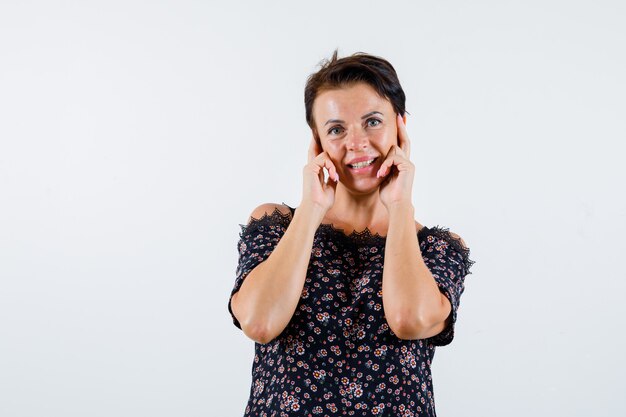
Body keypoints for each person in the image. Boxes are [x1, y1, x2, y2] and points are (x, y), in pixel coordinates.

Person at [227, 50, 475, 417]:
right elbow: (259, 322)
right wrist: (312, 208)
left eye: (373, 122)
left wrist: (400, 206)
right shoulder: (276, 225)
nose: (356, 143)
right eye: (336, 129)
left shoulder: (437, 248)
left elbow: (410, 320)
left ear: (401, 126)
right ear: (318, 142)